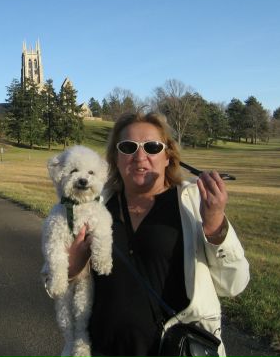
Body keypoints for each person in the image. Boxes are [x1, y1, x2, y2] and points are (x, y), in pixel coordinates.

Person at [67, 112, 250, 357]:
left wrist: (215, 224)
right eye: (128, 147)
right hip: (101, 348)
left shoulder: (193, 204)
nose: (140, 156)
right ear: (115, 158)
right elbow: (56, 282)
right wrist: (71, 270)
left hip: (174, 349)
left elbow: (234, 284)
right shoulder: (94, 205)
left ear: (168, 157)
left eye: (152, 147)